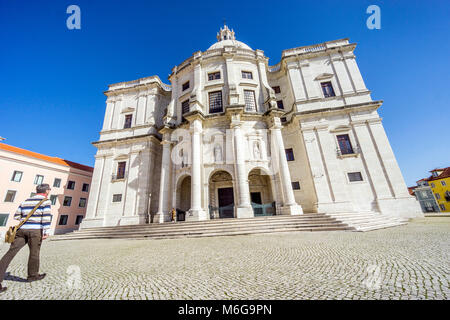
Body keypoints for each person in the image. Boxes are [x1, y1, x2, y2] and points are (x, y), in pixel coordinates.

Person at [0, 183, 52, 293]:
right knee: (34, 253)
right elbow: (46, 217)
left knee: (10, 252)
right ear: (46, 191)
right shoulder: (46, 201)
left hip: (21, 230)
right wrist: (46, 231)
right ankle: (32, 275)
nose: (49, 191)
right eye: (49, 190)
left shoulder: (26, 201)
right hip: (35, 230)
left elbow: (17, 216)